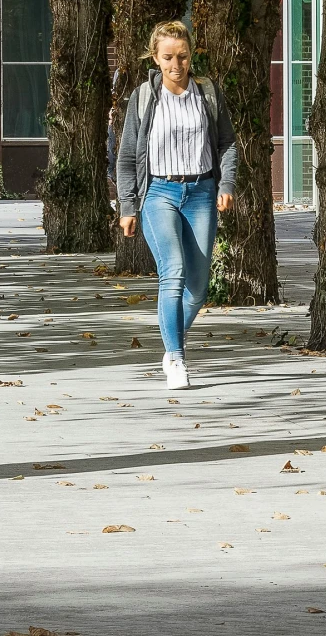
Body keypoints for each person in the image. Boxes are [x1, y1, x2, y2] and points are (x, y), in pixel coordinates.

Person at [115, 21, 238, 390]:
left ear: (191, 56)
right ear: (155, 58)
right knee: (174, 270)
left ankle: (170, 345)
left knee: (199, 288)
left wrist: (226, 183)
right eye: (168, 57)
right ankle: (178, 359)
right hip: (158, 194)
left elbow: (227, 143)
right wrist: (127, 206)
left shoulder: (208, 93)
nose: (176, 64)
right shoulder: (142, 98)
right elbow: (125, 158)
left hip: (201, 191)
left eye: (182, 56)